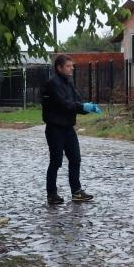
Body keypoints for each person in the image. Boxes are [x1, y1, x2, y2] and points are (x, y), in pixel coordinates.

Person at [41, 54, 102, 204]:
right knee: (56, 161)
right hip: (55, 128)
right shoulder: (52, 84)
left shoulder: (68, 82)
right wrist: (81, 106)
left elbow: (75, 102)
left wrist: (87, 108)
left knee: (75, 159)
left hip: (68, 128)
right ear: (59, 67)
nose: (72, 68)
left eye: (72, 65)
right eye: (68, 66)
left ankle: (76, 192)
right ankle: (52, 194)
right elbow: (64, 104)